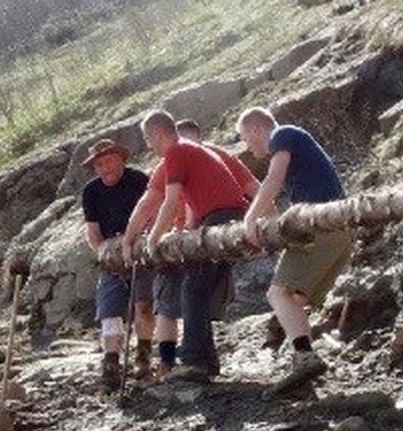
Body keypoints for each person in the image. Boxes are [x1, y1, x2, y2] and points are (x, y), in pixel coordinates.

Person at [121, 109, 251, 383]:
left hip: (221, 217)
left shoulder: (177, 152)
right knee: (197, 288)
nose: (148, 145)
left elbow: (169, 203)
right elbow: (166, 202)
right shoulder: (187, 151)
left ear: (157, 133)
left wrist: (153, 241)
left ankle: (195, 361)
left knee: (193, 287)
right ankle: (204, 360)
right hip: (219, 216)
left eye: (147, 138)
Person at [237, 107, 355, 394]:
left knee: (278, 293)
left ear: (256, 129)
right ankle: (301, 356)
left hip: (323, 227)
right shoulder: (296, 150)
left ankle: (304, 357)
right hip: (341, 231)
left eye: (246, 139)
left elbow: (273, 180)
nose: (248, 148)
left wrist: (250, 219)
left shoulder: (282, 134)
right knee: (297, 297)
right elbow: (281, 198)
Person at [79, 138, 155, 389]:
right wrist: (103, 251)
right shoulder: (90, 192)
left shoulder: (139, 180)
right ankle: (111, 363)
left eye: (109, 161)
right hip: (111, 252)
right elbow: (92, 230)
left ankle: (143, 357)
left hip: (141, 248)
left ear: (120, 159)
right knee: (109, 311)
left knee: (143, 305)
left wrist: (143, 243)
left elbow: (152, 212)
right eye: (98, 164)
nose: (104, 168)